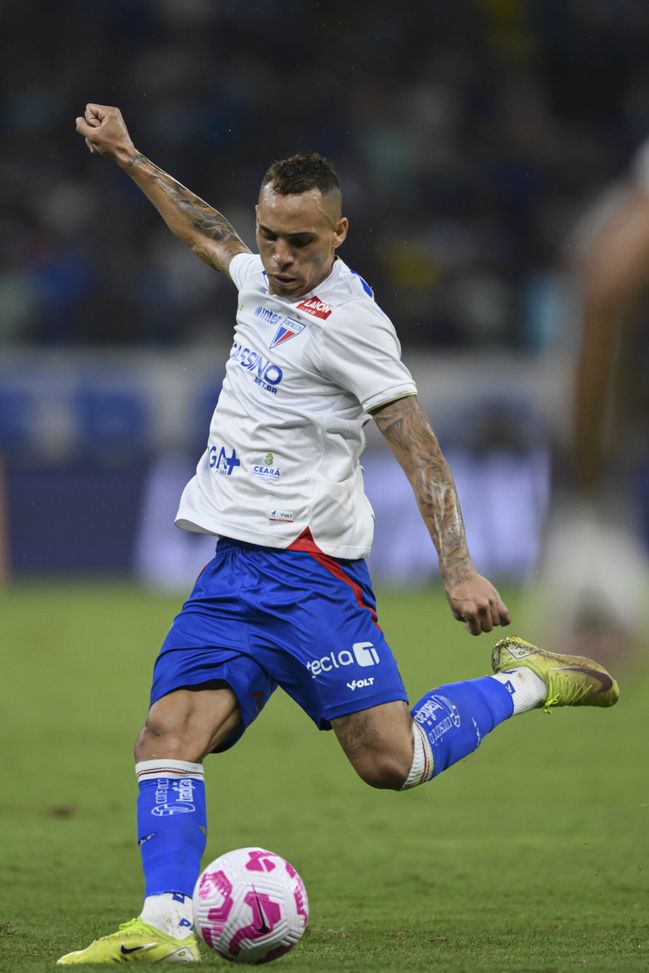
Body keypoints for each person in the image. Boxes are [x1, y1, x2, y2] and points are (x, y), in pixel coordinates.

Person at [58, 104, 620, 965]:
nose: (281, 257)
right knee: (167, 734)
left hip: (313, 573)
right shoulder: (259, 278)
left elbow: (418, 444)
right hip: (232, 573)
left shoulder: (352, 324)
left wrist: (459, 569)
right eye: (270, 237)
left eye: (301, 242)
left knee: (393, 762)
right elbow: (204, 230)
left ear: (339, 234)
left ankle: (526, 681)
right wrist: (129, 155)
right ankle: (165, 923)